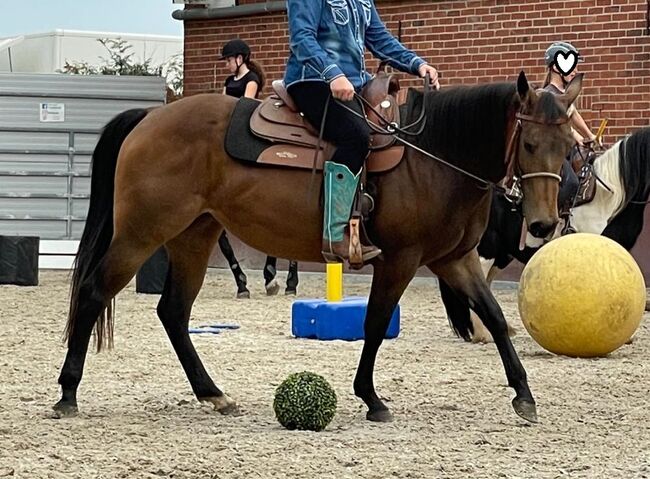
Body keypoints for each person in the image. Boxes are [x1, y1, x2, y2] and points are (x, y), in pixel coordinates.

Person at [284, 0, 439, 265]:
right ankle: (334, 234)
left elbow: (378, 38)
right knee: (355, 135)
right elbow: (301, 39)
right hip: (313, 80)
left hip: (354, 83)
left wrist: (416, 64)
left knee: (392, 127)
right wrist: (332, 73)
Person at [219, 38, 299, 297]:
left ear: (240, 58)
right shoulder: (227, 82)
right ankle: (243, 274)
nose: (228, 64)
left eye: (230, 59)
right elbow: (221, 106)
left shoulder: (250, 79)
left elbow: (242, 106)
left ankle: (278, 269)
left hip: (243, 125)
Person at [541, 41, 598, 234]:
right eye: (571, 66)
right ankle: (552, 224)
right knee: (571, 182)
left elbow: (573, 115)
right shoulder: (547, 95)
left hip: (564, 150)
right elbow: (564, 123)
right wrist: (578, 139)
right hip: (550, 153)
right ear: (557, 67)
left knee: (590, 167)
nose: (574, 71)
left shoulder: (564, 95)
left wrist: (590, 136)